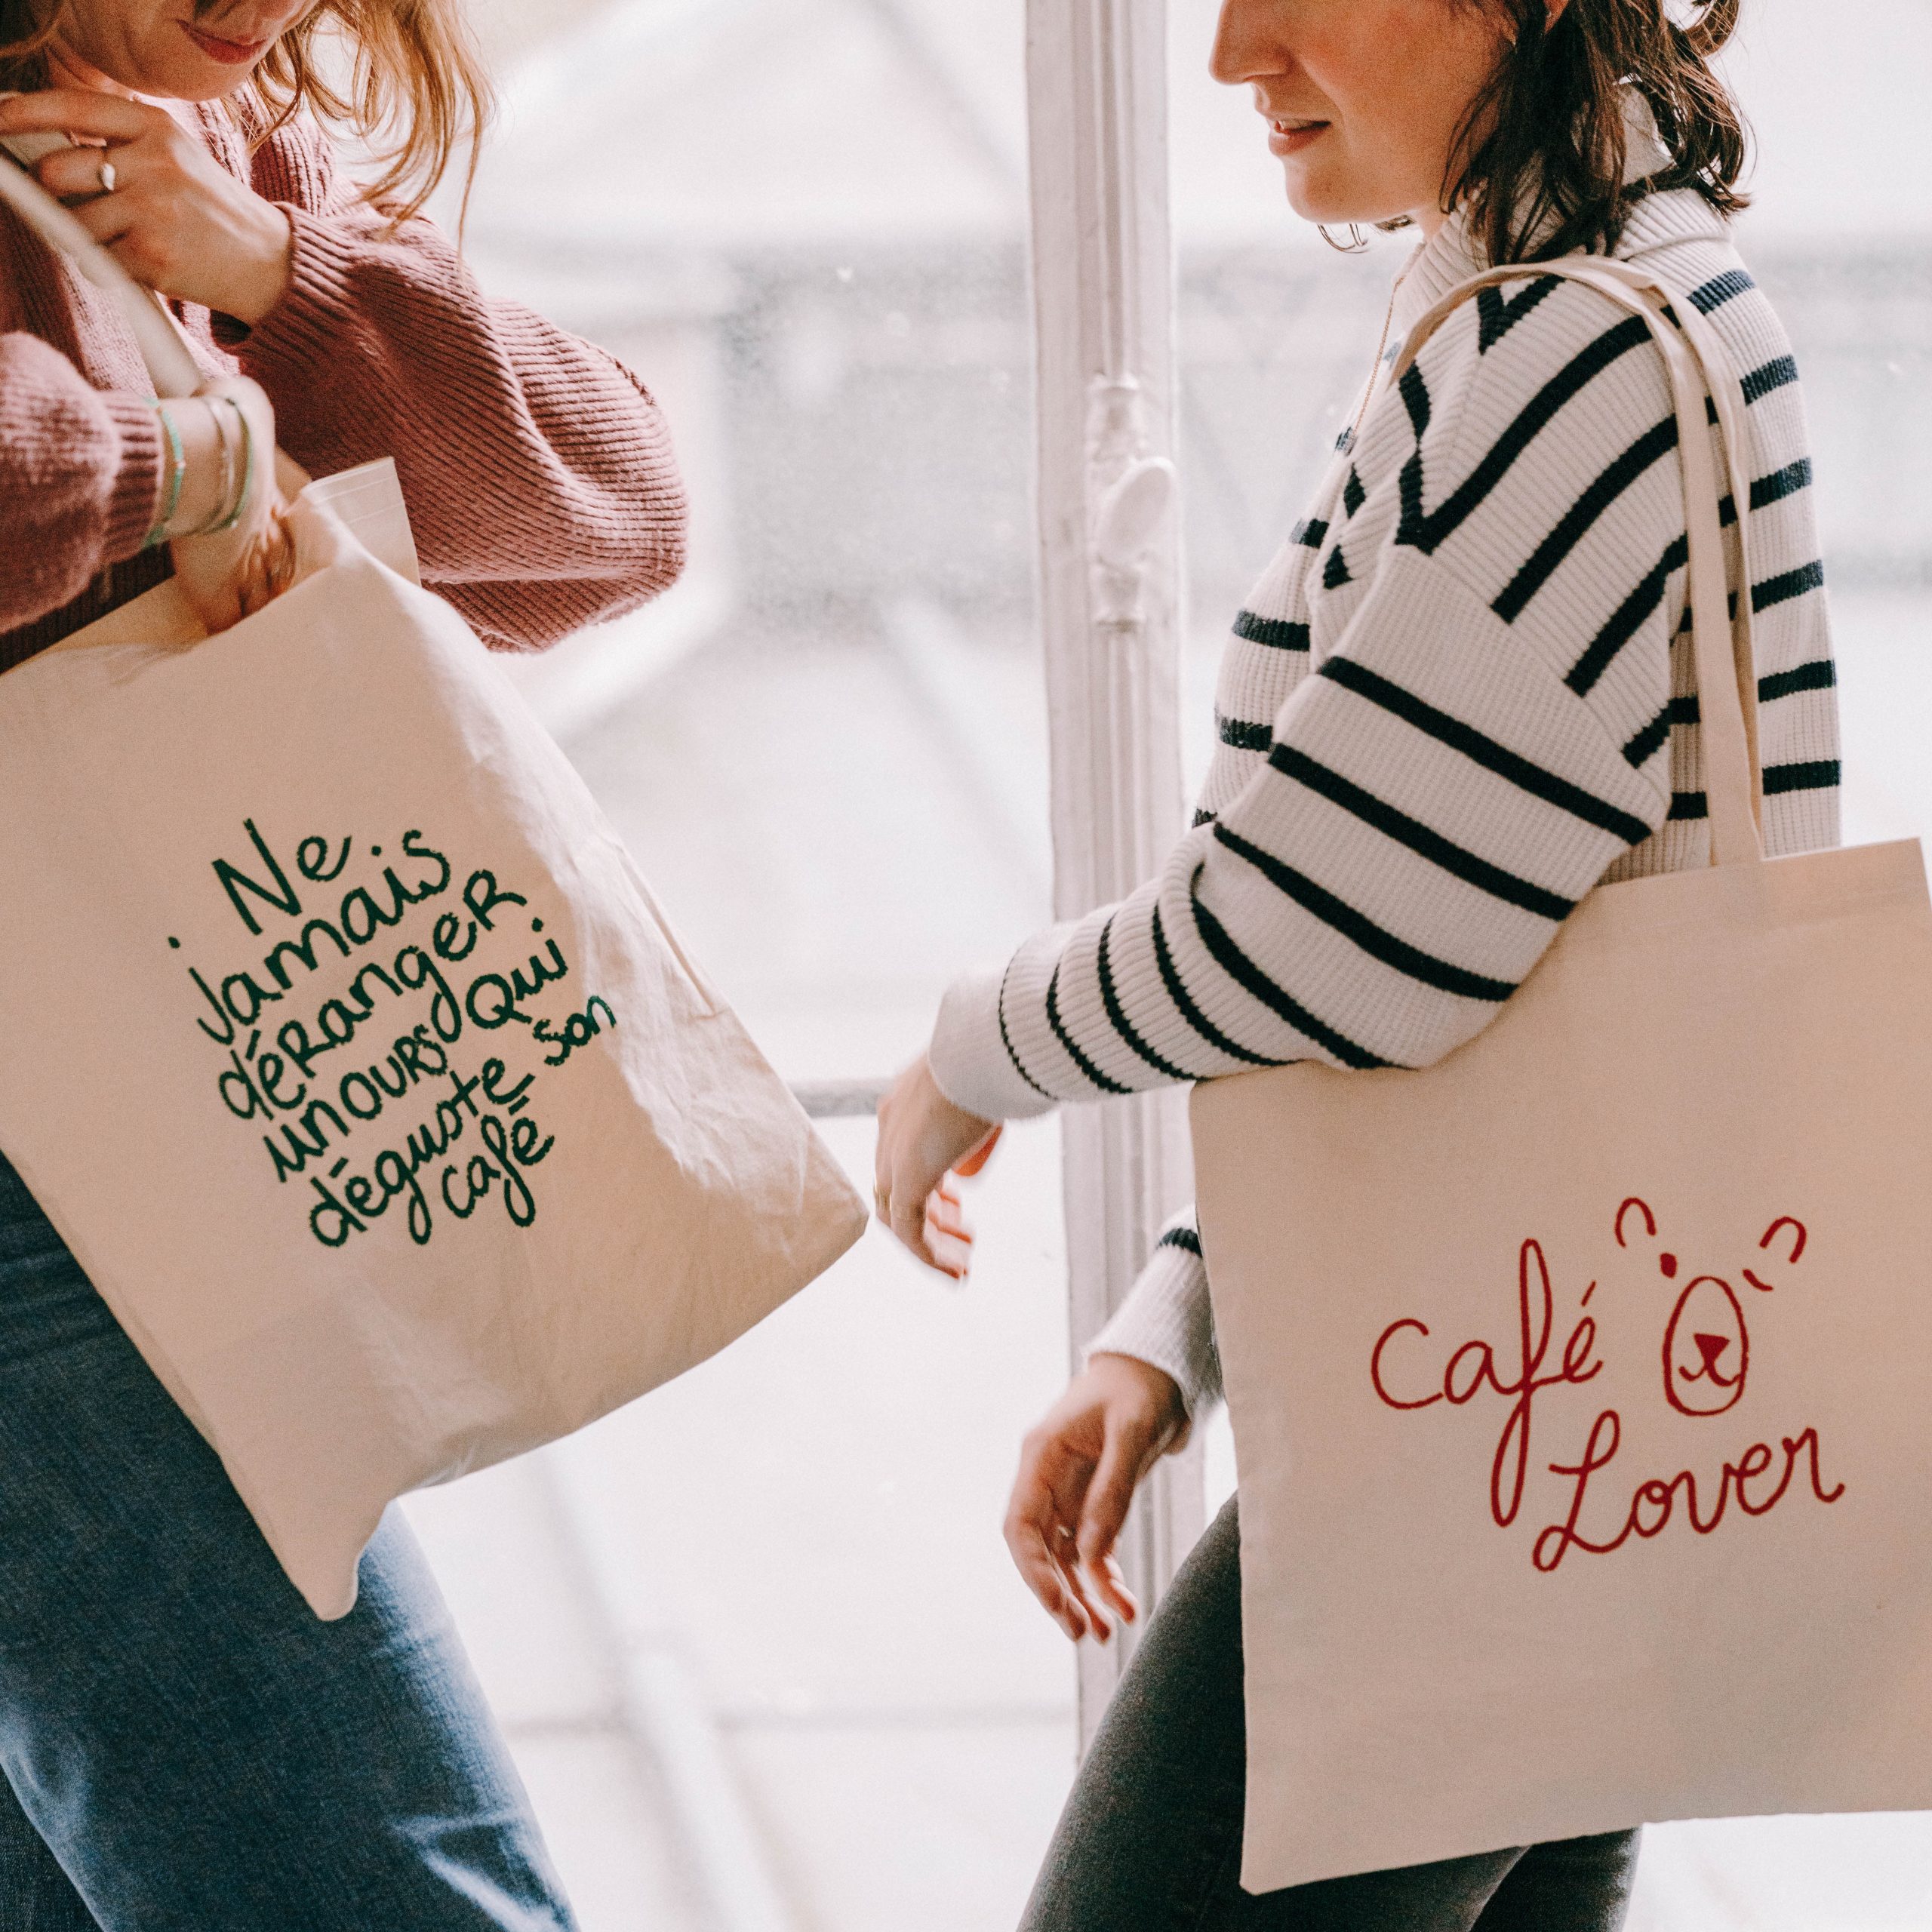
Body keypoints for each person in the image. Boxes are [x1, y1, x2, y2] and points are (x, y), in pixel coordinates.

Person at [875, 0, 1838, 1925]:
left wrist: (981, 1039)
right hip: (1583, 1412)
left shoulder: (1575, 349)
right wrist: (1188, 1311)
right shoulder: (1571, 299)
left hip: (1483, 1461)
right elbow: (1452, 917)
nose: (1233, 53)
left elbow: (1349, 932)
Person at [0, 2, 686, 1924]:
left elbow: (608, 518)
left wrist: (277, 275)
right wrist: (198, 453)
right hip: (46, 1169)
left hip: (157, 1112)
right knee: (385, 1877)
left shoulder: (188, 146)